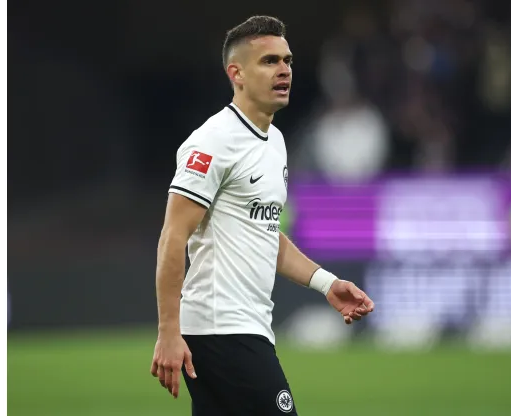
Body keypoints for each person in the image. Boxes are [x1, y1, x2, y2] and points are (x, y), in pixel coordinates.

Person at [150, 15, 375, 415]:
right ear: (236, 73)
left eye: (287, 60)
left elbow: (264, 234)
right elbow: (173, 236)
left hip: (246, 327)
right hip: (222, 329)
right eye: (269, 61)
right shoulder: (213, 141)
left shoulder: (276, 143)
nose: (284, 69)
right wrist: (168, 330)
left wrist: (327, 284)